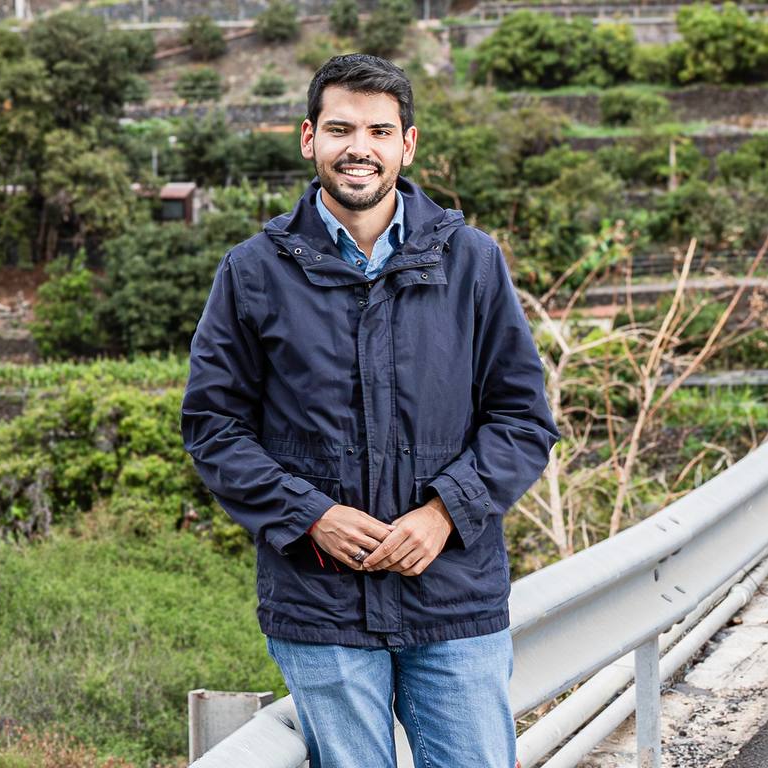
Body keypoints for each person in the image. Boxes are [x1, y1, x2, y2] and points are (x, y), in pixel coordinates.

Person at [180, 53, 559, 768]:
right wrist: (310, 514)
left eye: (380, 131)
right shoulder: (253, 272)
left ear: (407, 145)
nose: (360, 148)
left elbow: (522, 419)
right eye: (340, 129)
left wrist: (442, 514)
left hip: (452, 595)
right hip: (318, 601)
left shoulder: (472, 262)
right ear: (309, 138)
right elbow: (213, 429)